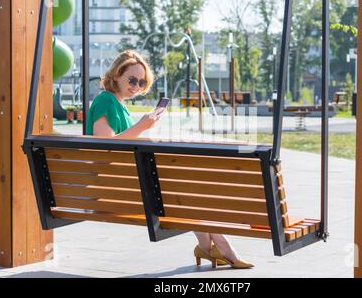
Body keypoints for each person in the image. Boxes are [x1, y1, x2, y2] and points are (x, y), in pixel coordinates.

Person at [87, 50, 253, 269]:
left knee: (186, 188)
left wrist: (145, 130)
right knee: (187, 188)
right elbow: (104, 144)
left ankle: (208, 246)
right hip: (115, 186)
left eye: (142, 81)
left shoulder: (117, 104)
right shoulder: (105, 101)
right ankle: (221, 246)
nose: (137, 86)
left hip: (124, 182)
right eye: (132, 80)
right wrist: (141, 127)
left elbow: (122, 143)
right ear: (116, 74)